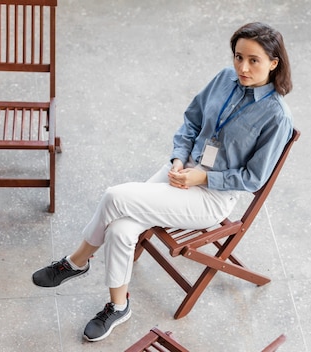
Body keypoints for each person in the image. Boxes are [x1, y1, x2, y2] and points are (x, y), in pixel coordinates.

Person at [31, 22, 293, 342]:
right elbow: (192, 120)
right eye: (238, 57)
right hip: (182, 171)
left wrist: (203, 176)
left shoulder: (276, 116)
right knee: (120, 227)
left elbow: (254, 178)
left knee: (115, 197)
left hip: (212, 194)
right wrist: (179, 159)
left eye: (253, 60)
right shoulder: (225, 79)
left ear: (273, 62)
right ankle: (118, 307)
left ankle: (75, 261)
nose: (242, 66)